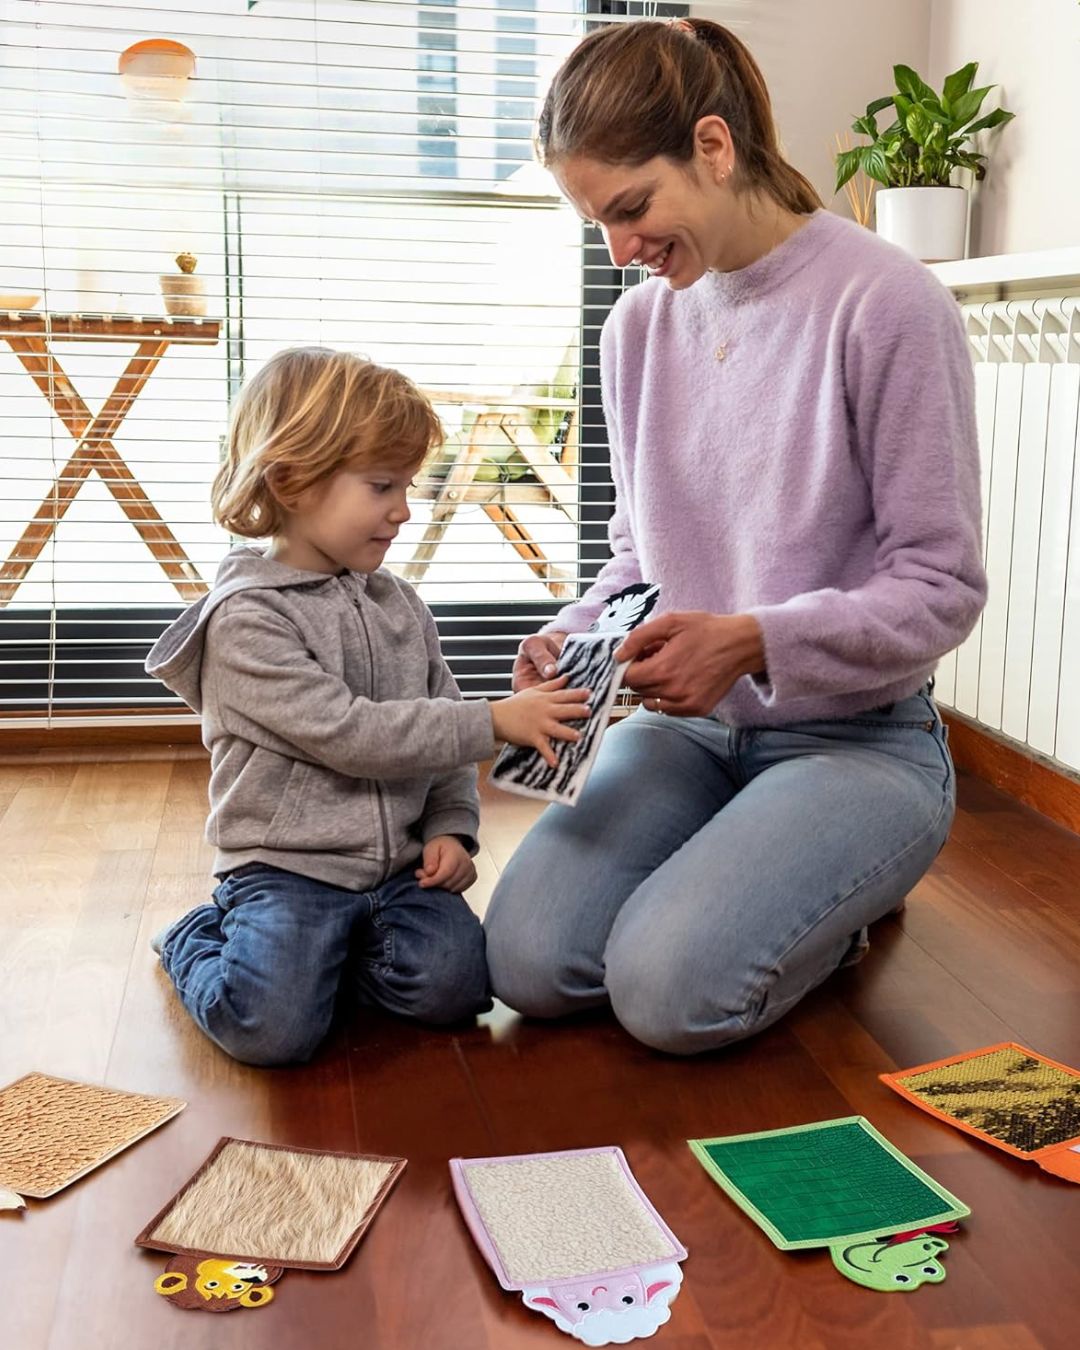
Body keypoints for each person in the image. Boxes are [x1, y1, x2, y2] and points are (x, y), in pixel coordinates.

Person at [483, 18, 988, 1055]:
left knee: (668, 994)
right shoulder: (639, 329)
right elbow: (639, 552)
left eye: (631, 209)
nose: (621, 250)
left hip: (857, 741)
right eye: (598, 223)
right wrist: (573, 629)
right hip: (684, 734)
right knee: (526, 961)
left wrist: (756, 640)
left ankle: (836, 904)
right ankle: (757, 874)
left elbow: (941, 585)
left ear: (714, 147)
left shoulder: (887, 304)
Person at [145, 347, 590, 1066]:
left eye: (408, 486)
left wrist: (454, 829)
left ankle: (327, 960)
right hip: (287, 869)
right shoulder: (246, 621)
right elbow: (352, 734)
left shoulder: (399, 604)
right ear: (290, 480)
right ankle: (198, 938)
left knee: (458, 989)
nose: (404, 510)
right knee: (273, 1031)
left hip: (394, 872)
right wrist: (494, 720)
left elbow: (434, 720)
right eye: (383, 485)